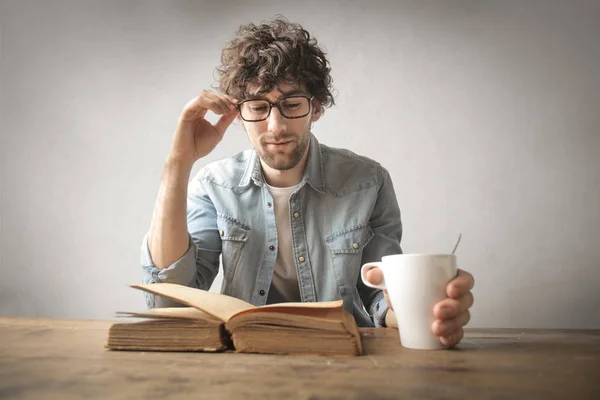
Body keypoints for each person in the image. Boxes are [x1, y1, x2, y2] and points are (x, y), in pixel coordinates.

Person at [141, 17, 474, 346]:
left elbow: (378, 296)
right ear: (238, 114)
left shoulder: (369, 182)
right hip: (244, 359)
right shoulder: (214, 186)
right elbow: (169, 301)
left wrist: (419, 312)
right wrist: (178, 164)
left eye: (292, 105)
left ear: (316, 108)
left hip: (344, 358)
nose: (276, 126)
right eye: (258, 107)